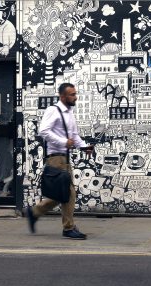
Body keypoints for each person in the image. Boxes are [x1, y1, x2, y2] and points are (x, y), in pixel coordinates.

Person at [26, 83, 93, 239]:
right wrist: (63, 142)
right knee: (69, 193)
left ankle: (34, 212)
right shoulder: (53, 111)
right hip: (56, 158)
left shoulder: (69, 113)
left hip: (65, 158)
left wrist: (84, 147)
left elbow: (74, 136)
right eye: (72, 94)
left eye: (75, 94)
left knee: (61, 194)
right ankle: (68, 228)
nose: (75, 97)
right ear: (62, 96)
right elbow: (43, 131)